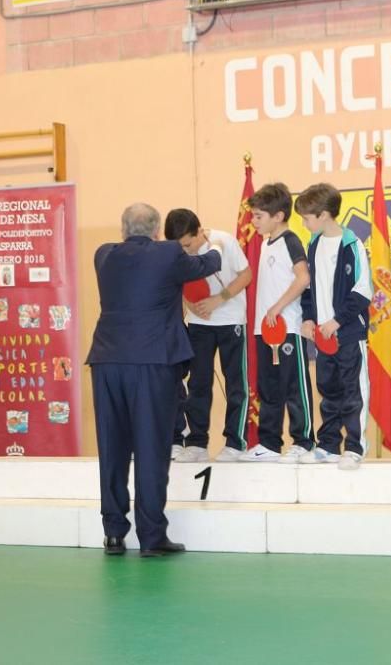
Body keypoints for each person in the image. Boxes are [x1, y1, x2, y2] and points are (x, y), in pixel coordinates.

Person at [86, 203, 223, 557]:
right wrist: (214, 243)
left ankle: (113, 533)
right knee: (151, 447)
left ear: (122, 228)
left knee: (112, 448)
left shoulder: (103, 256)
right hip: (152, 362)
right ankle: (152, 536)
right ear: (158, 229)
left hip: (107, 361)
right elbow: (208, 264)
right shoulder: (168, 254)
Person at [164, 208, 253, 463]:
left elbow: (245, 275)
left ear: (199, 231)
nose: (186, 250)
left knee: (236, 383)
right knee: (198, 384)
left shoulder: (224, 241)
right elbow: (179, 283)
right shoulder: (176, 252)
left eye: (188, 244)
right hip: (198, 325)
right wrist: (191, 304)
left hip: (231, 321)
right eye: (180, 246)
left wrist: (218, 300)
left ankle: (236, 443)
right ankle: (197, 443)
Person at [296, 183, 372, 470]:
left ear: (324, 214)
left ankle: (355, 447)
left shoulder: (352, 245)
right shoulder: (313, 244)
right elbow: (310, 288)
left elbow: (362, 291)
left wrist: (337, 320)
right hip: (322, 336)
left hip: (348, 334)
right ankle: (327, 445)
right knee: (328, 389)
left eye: (307, 217)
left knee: (353, 391)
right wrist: (308, 318)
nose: (304, 223)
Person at [237, 182, 315, 462]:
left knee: (294, 385)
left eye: (258, 216)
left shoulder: (290, 240)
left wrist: (279, 308)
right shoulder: (267, 244)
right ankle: (269, 444)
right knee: (269, 388)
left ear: (278, 216)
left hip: (287, 328)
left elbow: (303, 278)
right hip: (264, 330)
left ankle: (304, 441)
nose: (253, 221)